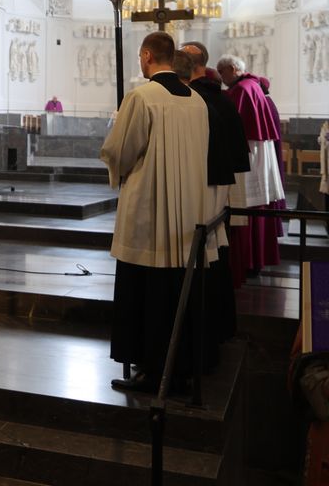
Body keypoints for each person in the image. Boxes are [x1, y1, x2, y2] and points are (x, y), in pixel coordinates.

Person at [101, 32, 211, 393]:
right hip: (187, 212)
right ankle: (180, 364)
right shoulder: (196, 100)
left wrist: (116, 167)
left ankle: (149, 368)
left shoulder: (141, 97)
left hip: (149, 210)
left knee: (144, 291)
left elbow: (120, 150)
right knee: (175, 290)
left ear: (147, 56)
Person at [173, 49, 244, 359]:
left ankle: (198, 343)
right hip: (217, 191)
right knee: (214, 256)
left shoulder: (193, 101)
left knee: (201, 260)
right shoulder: (222, 99)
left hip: (196, 193)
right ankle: (216, 332)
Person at [216, 55, 285, 287]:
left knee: (245, 210)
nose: (222, 78)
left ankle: (246, 262)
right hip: (257, 156)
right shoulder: (253, 86)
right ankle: (255, 262)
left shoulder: (241, 91)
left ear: (233, 69)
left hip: (248, 158)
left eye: (223, 72)